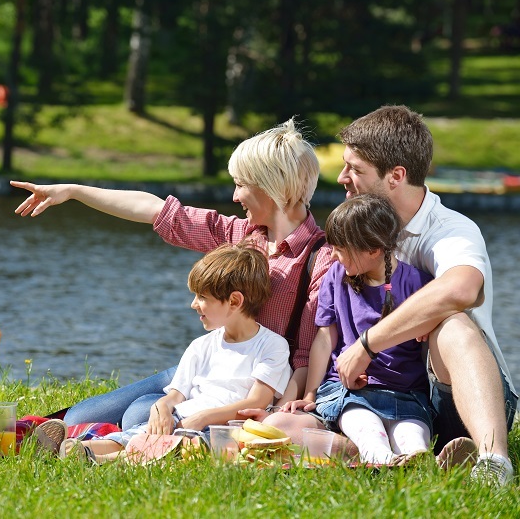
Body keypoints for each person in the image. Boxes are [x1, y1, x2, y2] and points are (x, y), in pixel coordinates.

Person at [11, 118, 332, 430]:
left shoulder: (321, 259)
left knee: (139, 415)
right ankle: (116, 425)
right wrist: (74, 191)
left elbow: (304, 354)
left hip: (247, 385)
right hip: (204, 366)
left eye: (240, 185)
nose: (234, 196)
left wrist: (280, 413)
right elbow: (157, 210)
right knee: (77, 418)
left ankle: (133, 429)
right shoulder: (238, 235)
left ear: (271, 185)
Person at [265, 105, 517, 484]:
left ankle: (493, 462)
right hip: (367, 393)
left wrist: (367, 345)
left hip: (450, 399)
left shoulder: (450, 229)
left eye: (355, 169)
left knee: (452, 323)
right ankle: (378, 455)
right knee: (284, 426)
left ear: (396, 176)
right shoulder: (357, 232)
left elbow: (462, 287)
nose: (342, 177)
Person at [51, 243, 291, 463]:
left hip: (223, 428)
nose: (193, 304)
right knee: (140, 433)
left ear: (234, 301)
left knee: (188, 446)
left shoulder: (271, 345)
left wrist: (203, 418)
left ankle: (101, 458)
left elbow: (256, 401)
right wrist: (163, 407)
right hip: (184, 419)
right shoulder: (201, 345)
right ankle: (75, 447)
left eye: (202, 297)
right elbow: (176, 395)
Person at [281, 194, 433, 465]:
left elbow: (432, 321)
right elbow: (325, 338)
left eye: (340, 249)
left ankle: (420, 458)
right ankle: (380, 457)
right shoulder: (336, 276)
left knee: (411, 432)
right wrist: (311, 393)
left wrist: (429, 324)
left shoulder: (418, 283)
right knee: (363, 423)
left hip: (405, 393)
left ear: (374, 250)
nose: (334, 256)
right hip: (349, 393)